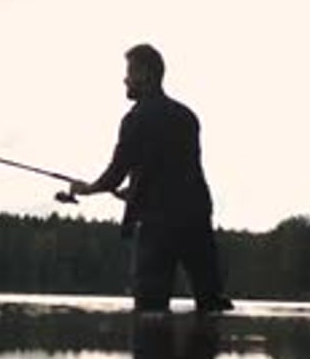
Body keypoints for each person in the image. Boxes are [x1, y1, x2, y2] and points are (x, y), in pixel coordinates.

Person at [70, 43, 232, 313]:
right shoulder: (186, 116)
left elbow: (115, 173)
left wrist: (86, 189)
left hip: (158, 224)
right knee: (210, 301)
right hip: (196, 217)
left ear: (145, 74)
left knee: (150, 309)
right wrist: (132, 190)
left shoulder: (135, 119)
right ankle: (206, 350)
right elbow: (174, 169)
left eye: (129, 73)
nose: (125, 80)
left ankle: (154, 352)